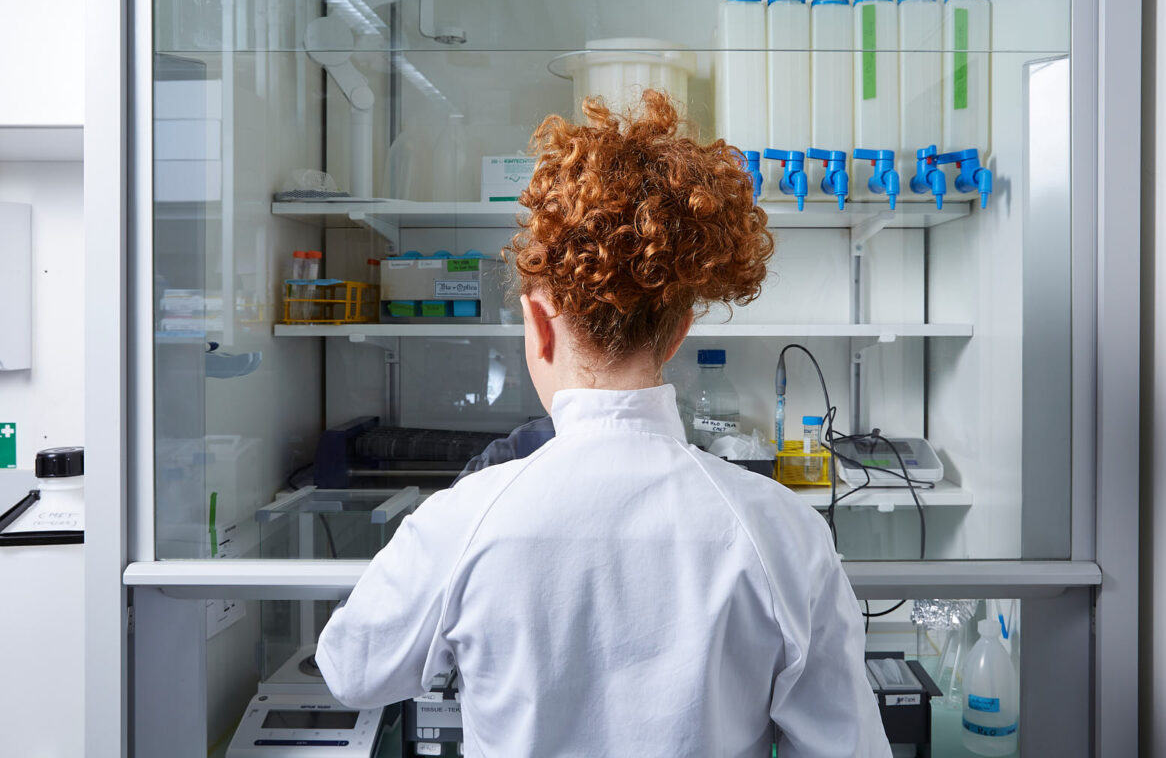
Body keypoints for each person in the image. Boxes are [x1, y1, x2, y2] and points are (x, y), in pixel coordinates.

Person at [316, 90, 890, 757]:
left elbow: (349, 669)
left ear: (536, 323)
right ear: (678, 332)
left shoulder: (465, 521)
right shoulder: (783, 533)